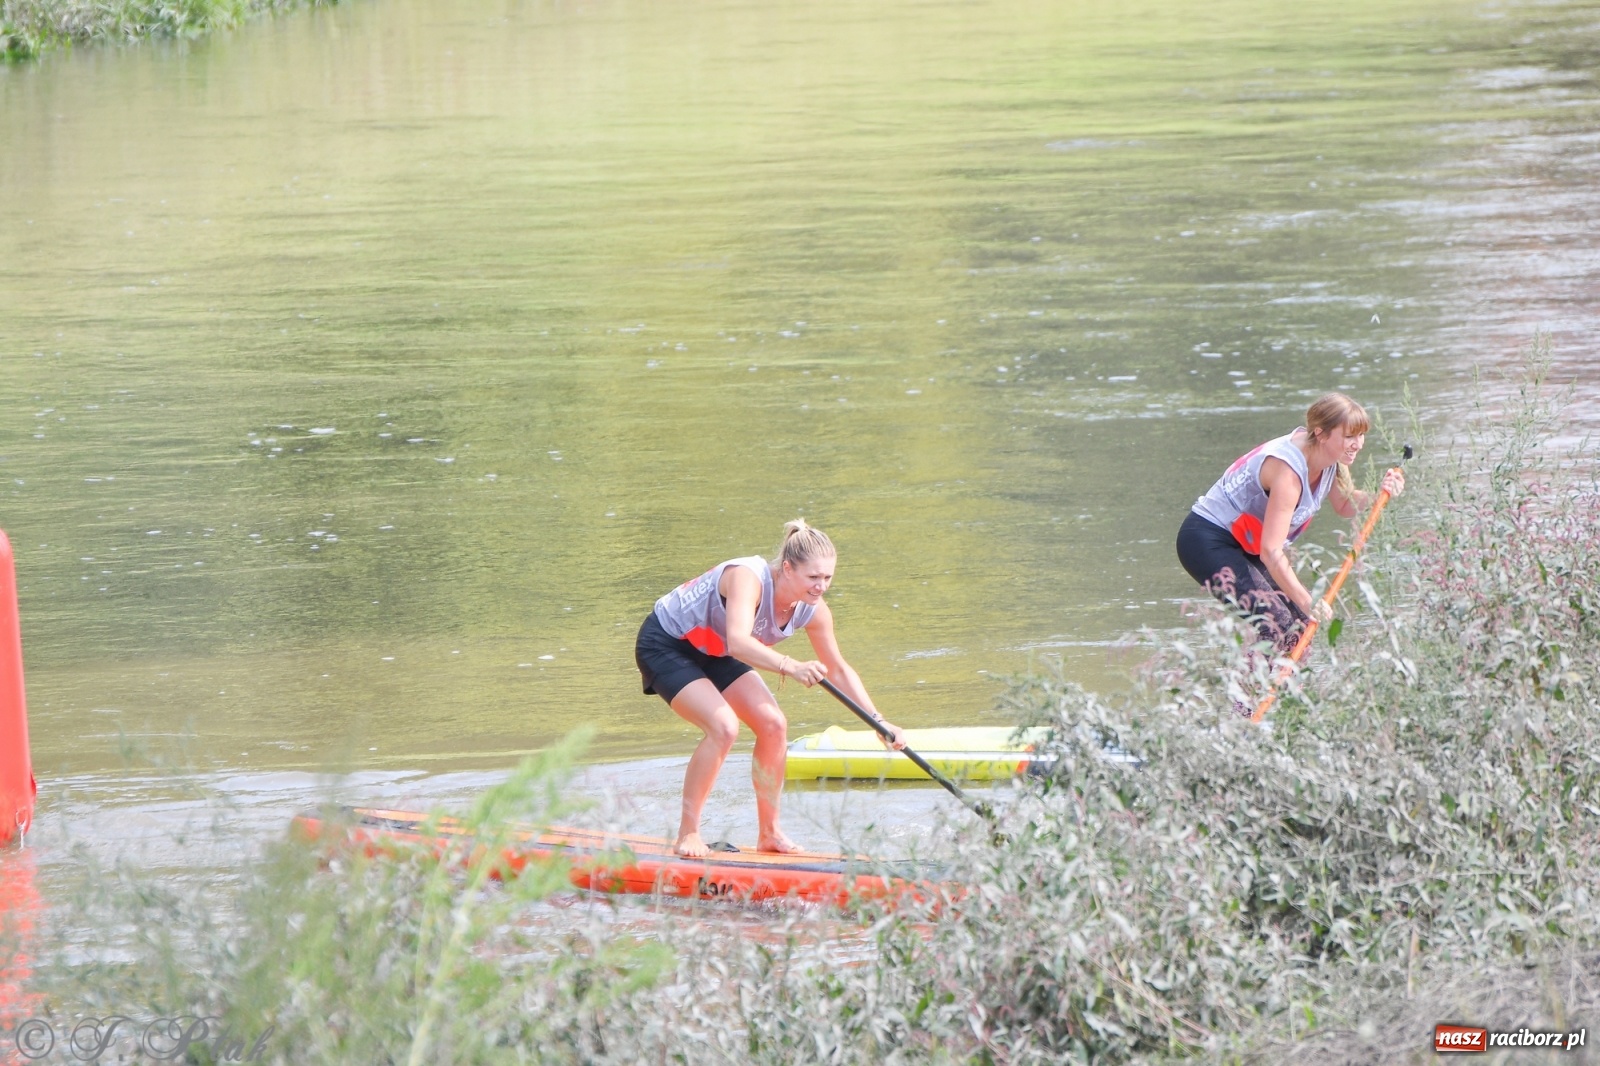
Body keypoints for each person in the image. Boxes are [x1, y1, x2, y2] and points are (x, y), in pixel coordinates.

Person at [635, 519, 907, 857]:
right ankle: (688, 834)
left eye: (827, 578)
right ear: (788, 568)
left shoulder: (814, 611)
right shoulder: (748, 579)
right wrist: (790, 666)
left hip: (715, 650)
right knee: (723, 727)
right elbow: (737, 642)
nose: (821, 586)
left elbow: (837, 667)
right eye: (813, 577)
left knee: (774, 725)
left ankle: (771, 834)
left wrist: (878, 721)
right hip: (668, 644)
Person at [1176, 393, 1405, 654]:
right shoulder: (1288, 473)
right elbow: (1272, 552)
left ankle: (1283, 691)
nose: (1358, 444)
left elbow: (1345, 505)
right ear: (1321, 434)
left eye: (1361, 435)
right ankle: (1251, 694)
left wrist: (1381, 493)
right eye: (1350, 437)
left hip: (1247, 545)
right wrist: (1309, 601)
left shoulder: (1331, 459)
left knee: (1301, 627)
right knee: (1278, 624)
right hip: (1207, 541)